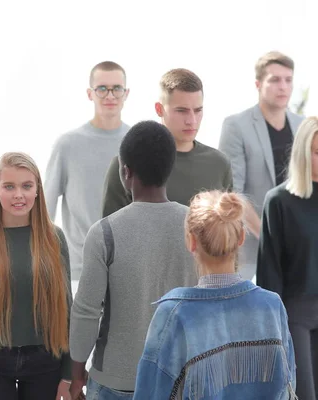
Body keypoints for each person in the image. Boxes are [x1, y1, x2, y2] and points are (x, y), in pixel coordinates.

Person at [70, 121, 197, 400]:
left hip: (115, 381)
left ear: (126, 172)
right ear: (169, 168)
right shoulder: (196, 226)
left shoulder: (104, 232)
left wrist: (77, 373)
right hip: (180, 378)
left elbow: (86, 312)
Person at [134, 190, 296, 399]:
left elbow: (150, 392)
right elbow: (288, 385)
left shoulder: (175, 314)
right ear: (242, 238)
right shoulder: (271, 306)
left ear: (191, 241)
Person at [0, 152, 76, 400]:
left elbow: (67, 308)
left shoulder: (53, 238)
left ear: (37, 190)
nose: (19, 195)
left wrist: (68, 375)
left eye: (27, 186)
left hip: (45, 359)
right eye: (9, 186)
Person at [44, 61, 130, 288]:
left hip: (129, 269)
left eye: (116, 88)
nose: (109, 95)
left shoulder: (136, 143)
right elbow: (45, 210)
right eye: (102, 88)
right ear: (90, 94)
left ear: (126, 93)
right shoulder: (68, 145)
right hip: (78, 271)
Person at [102, 68, 232, 218]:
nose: (192, 120)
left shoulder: (219, 164)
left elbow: (228, 233)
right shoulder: (127, 165)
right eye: (181, 111)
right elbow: (109, 234)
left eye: (197, 110)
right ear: (159, 109)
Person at [219, 51, 303, 280]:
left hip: (300, 251)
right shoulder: (236, 126)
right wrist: (270, 237)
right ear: (258, 84)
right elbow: (233, 192)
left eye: (288, 80)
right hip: (252, 254)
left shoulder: (303, 126)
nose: (283, 87)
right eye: (275, 80)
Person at [257, 116, 318, 400]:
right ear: (304, 153)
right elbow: (270, 274)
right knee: (304, 393)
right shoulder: (279, 201)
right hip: (295, 315)